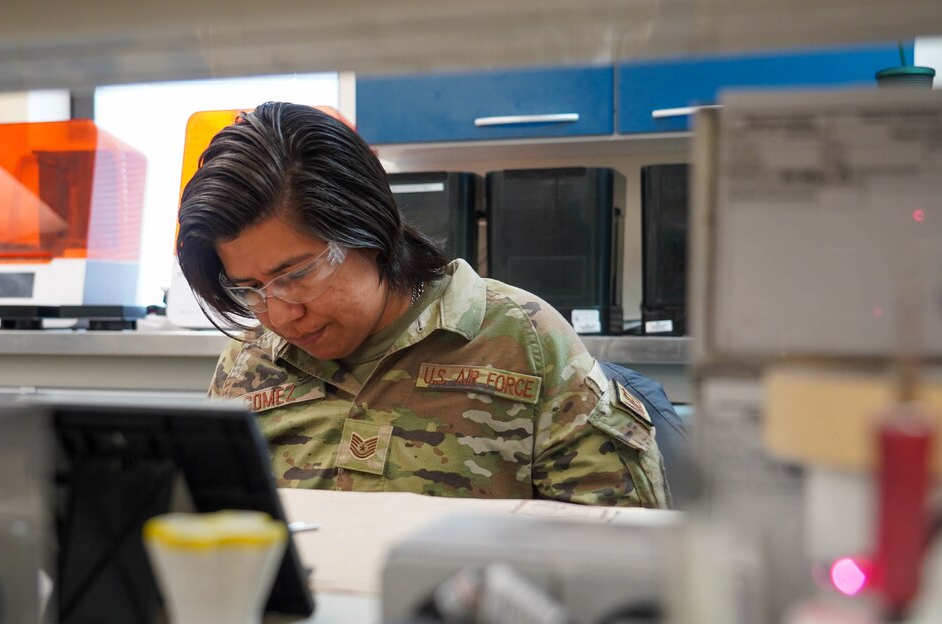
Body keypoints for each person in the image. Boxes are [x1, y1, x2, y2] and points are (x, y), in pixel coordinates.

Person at [176, 101, 670, 508]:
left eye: (297, 275)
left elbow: (623, 547)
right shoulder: (247, 364)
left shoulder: (523, 340)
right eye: (250, 289)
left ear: (368, 231)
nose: (281, 314)